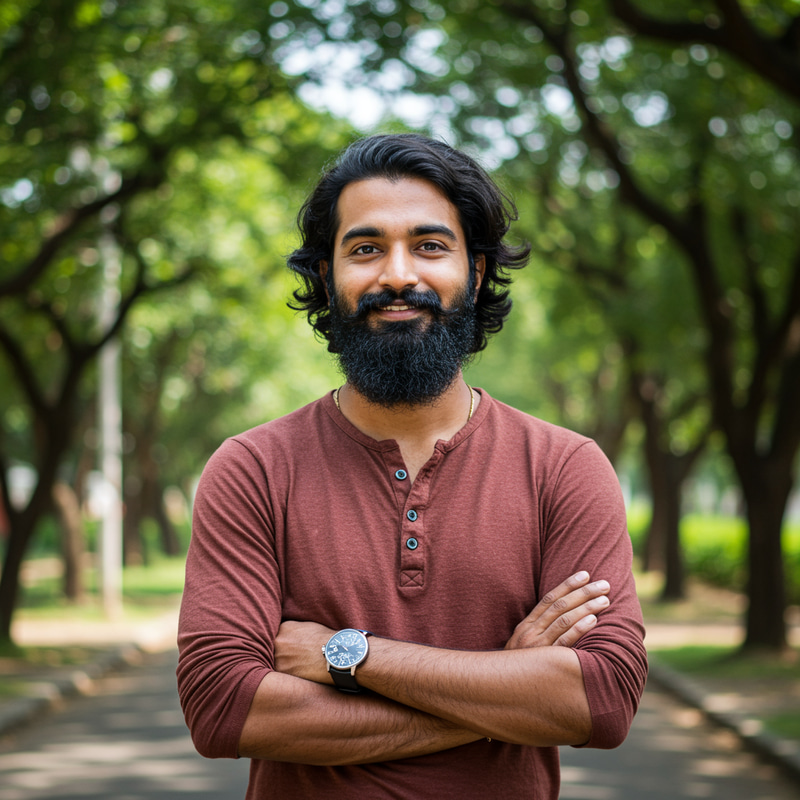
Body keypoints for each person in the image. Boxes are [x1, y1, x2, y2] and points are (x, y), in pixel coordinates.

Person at [177, 133, 647, 799]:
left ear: (476, 273)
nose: (398, 274)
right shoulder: (253, 469)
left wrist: (351, 655)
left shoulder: (565, 468)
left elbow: (601, 702)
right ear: (325, 276)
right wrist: (505, 683)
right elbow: (224, 708)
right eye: (365, 249)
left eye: (430, 246)